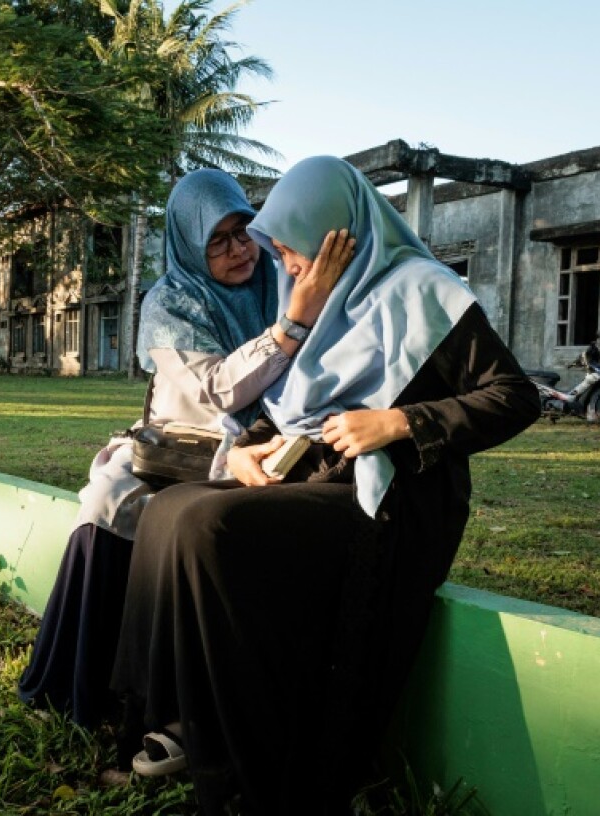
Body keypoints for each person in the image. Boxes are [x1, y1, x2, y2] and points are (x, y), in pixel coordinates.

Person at [111, 156, 541, 814]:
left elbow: (514, 397)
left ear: (335, 236)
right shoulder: (316, 307)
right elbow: (287, 410)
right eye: (279, 254)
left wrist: (399, 421)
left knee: (207, 527)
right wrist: (253, 453)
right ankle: (181, 721)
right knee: (169, 509)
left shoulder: (423, 291)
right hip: (316, 476)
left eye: (290, 252)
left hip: (395, 494)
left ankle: (246, 750)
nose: (283, 269)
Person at [17, 168, 354, 734]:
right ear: (189, 245)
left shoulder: (278, 280)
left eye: (243, 230)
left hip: (272, 436)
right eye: (216, 240)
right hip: (185, 441)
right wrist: (293, 323)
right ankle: (86, 682)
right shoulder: (169, 301)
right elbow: (220, 388)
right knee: (110, 498)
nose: (237, 249)